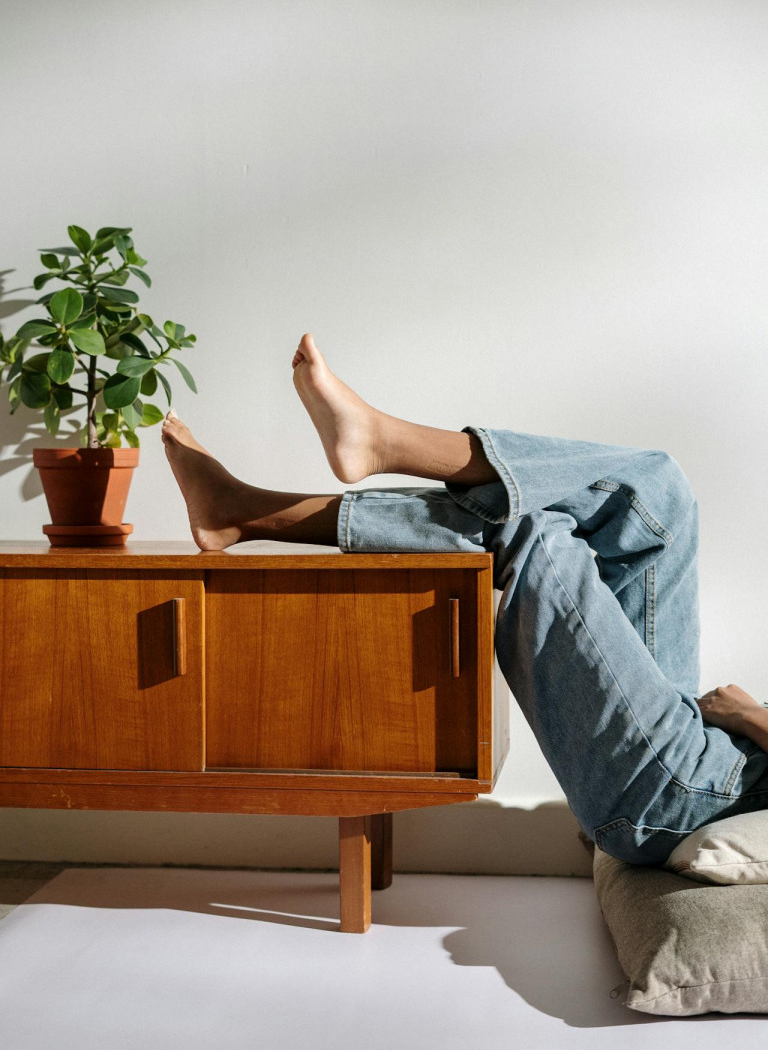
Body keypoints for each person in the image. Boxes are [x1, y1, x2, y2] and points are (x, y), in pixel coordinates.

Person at [161, 332, 768, 865]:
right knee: (653, 493)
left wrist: (750, 717)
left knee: (537, 532)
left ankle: (321, 472)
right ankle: (277, 494)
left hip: (688, 792)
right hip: (703, 759)